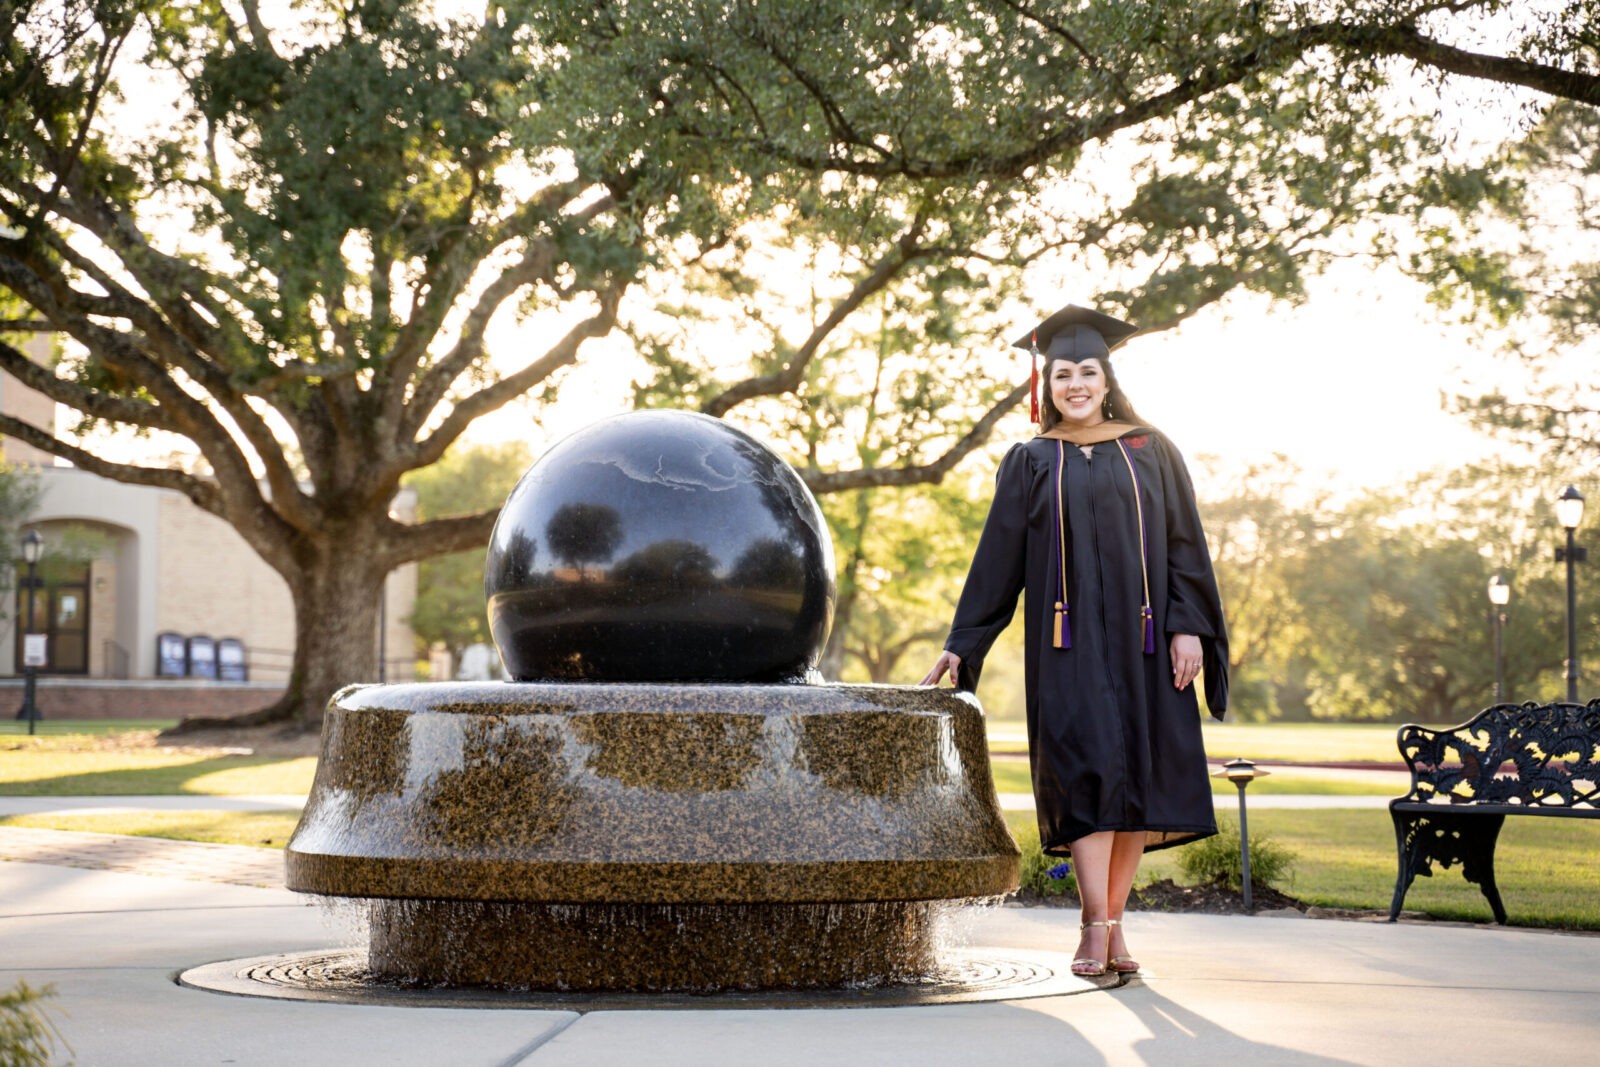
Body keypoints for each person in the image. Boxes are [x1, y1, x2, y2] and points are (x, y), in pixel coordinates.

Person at [921, 304, 1228, 978]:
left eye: (1087, 371)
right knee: (1088, 772)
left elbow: (1185, 545)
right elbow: (997, 559)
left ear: (1107, 378)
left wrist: (1188, 627)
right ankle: (1093, 925)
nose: (1076, 385)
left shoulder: (1151, 450)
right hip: (1068, 647)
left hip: (1148, 642)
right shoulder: (1031, 460)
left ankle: (1115, 926)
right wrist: (963, 641)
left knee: (1137, 782)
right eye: (1063, 374)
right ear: (1048, 385)